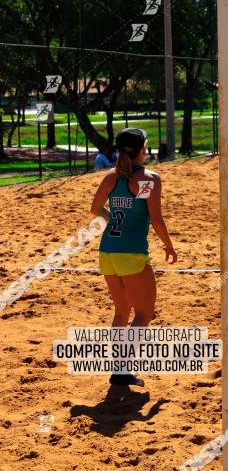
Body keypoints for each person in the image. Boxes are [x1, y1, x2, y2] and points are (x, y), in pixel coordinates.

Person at [90, 128, 178, 386]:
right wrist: (169, 246)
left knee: (121, 313)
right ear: (141, 150)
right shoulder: (149, 179)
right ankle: (122, 370)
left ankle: (118, 369)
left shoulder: (110, 177)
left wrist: (114, 220)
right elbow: (156, 218)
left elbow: (95, 209)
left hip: (108, 251)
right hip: (131, 253)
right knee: (144, 314)